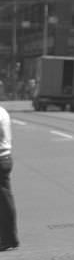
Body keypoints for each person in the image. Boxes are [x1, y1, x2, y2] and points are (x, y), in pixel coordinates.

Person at [0, 102, 19, 251]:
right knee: (5, 200)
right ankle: (8, 238)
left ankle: (9, 239)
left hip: (1, 159)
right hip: (5, 158)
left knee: (4, 202)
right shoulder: (3, 111)